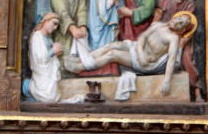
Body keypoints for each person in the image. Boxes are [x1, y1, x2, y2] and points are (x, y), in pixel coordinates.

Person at [64, 12, 194, 96]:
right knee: (112, 45)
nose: (177, 21)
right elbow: (143, 37)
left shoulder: (174, 39)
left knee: (112, 54)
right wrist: (141, 51)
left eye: (181, 23)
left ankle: (80, 67)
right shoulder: (158, 25)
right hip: (138, 49)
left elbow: (171, 59)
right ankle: (83, 60)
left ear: (182, 29)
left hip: (143, 62)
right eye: (179, 18)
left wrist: (166, 80)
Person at [154, 0, 203, 102]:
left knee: (187, 58)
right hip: (164, 34)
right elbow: (157, 17)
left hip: (182, 36)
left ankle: (197, 92)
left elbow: (190, 26)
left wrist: (181, 45)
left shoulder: (189, 4)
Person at [50, 0, 88, 71]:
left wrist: (82, 26)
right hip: (63, 34)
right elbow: (62, 13)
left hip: (78, 35)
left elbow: (82, 11)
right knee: (64, 62)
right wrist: (73, 29)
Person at [23, 12, 63, 103]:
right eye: (54, 23)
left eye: (57, 25)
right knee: (49, 97)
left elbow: (49, 56)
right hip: (42, 72)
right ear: (46, 21)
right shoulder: (37, 36)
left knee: (53, 96)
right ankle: (29, 86)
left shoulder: (48, 38)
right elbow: (39, 58)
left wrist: (55, 53)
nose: (55, 27)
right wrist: (53, 51)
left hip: (49, 72)